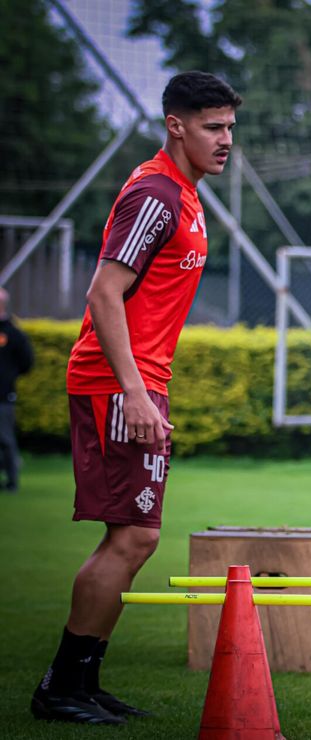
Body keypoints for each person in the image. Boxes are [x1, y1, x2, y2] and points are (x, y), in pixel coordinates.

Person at [32, 71, 241, 725]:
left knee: (136, 538)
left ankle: (82, 682)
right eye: (213, 126)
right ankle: (62, 687)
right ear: (175, 125)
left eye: (231, 126)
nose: (226, 139)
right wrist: (136, 394)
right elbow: (103, 293)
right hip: (118, 386)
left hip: (139, 384)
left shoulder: (187, 195)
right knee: (131, 539)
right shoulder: (155, 193)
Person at [0, 287, 34, 491]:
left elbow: (26, 362)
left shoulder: (13, 333)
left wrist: (8, 377)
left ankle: (12, 481)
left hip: (3, 395)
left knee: (5, 438)